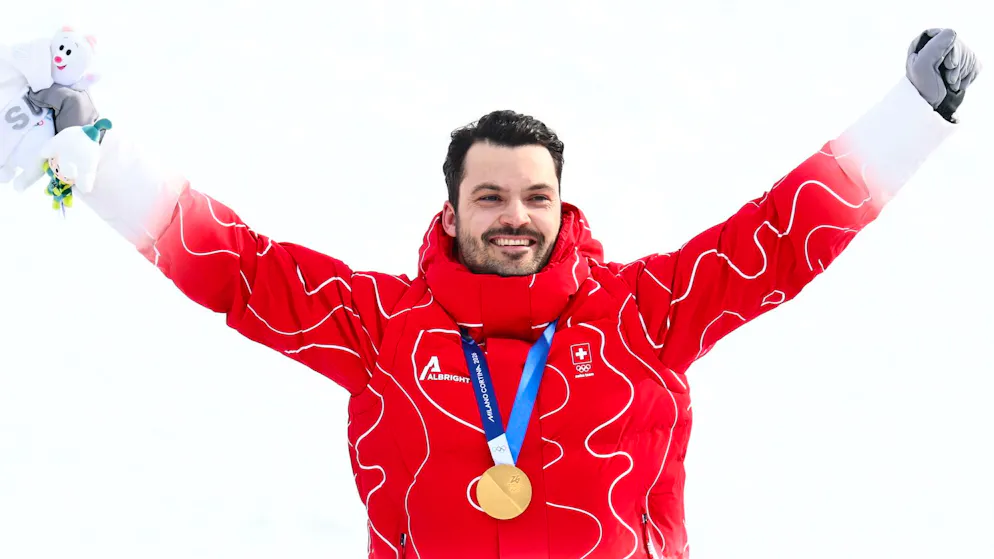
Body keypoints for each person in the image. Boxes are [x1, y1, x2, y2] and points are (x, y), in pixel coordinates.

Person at [6, 27, 982, 559]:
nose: (514, 216)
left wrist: (911, 118)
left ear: (562, 204)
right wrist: (97, 155)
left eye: (534, 196)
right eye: (490, 196)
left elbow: (775, 243)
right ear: (454, 207)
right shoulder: (381, 326)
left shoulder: (641, 315)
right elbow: (236, 267)